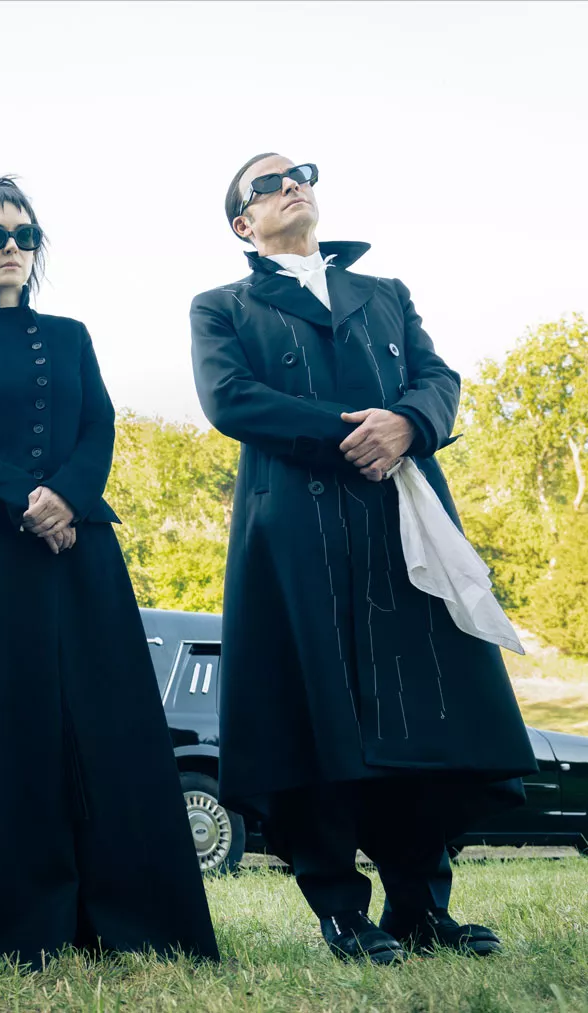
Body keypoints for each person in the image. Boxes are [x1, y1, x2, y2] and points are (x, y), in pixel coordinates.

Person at [189, 153, 538, 963]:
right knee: (315, 721)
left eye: (300, 172)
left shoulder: (386, 293)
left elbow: (437, 377)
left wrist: (409, 424)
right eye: (269, 182)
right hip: (295, 537)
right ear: (244, 223)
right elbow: (229, 398)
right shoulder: (222, 305)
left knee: (424, 712)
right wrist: (357, 432)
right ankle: (342, 911)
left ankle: (421, 906)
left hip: (402, 526)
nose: (292, 184)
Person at [0, 177, 220, 970]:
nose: (11, 247)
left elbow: (99, 423)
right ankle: (9, 916)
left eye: (24, 235)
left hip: (78, 550)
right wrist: (25, 500)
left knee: (102, 725)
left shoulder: (71, 335)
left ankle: (122, 914)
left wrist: (67, 497)